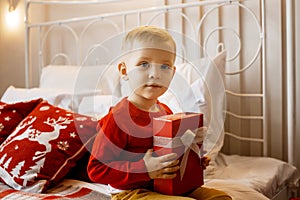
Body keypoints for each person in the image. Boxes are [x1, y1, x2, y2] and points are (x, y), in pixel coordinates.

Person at [87, 26, 231, 200]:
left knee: (222, 198)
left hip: (168, 186)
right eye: (144, 64)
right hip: (132, 191)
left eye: (164, 66)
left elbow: (171, 153)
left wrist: (195, 160)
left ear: (172, 73)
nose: (155, 74)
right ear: (124, 71)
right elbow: (96, 169)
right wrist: (144, 168)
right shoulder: (118, 118)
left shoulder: (166, 112)